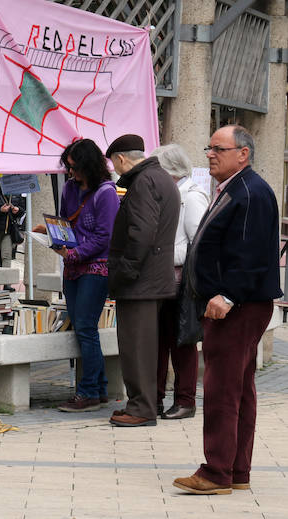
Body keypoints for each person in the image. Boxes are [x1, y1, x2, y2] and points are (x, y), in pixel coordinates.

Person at [174, 125, 281, 495]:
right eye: (208, 148)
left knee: (221, 388)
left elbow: (249, 255)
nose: (209, 154)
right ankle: (236, 470)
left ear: (243, 154)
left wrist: (228, 296)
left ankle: (216, 472)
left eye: (218, 148)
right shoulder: (236, 188)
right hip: (231, 304)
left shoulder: (250, 192)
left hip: (235, 307)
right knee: (238, 388)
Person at [36, 139, 120, 412]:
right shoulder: (70, 188)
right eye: (68, 168)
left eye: (75, 168)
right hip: (72, 266)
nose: (71, 174)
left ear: (89, 166)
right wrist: (50, 233)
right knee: (82, 326)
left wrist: (75, 254)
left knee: (85, 327)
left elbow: (105, 236)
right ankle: (100, 387)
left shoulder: (106, 193)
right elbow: (65, 222)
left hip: (96, 268)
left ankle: (88, 393)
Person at [105, 134, 179, 427]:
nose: (114, 169)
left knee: (136, 347)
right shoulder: (160, 177)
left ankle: (142, 408)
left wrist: (125, 272)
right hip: (152, 278)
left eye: (114, 163)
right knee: (145, 346)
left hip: (141, 281)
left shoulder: (144, 182)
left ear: (121, 159)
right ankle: (143, 403)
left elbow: (141, 234)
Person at [151, 144, 208, 420]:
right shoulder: (168, 193)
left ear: (169, 171)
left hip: (180, 282)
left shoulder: (192, 196)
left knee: (181, 342)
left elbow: (199, 244)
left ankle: (185, 400)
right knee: (159, 342)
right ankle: (156, 397)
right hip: (162, 279)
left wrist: (159, 252)